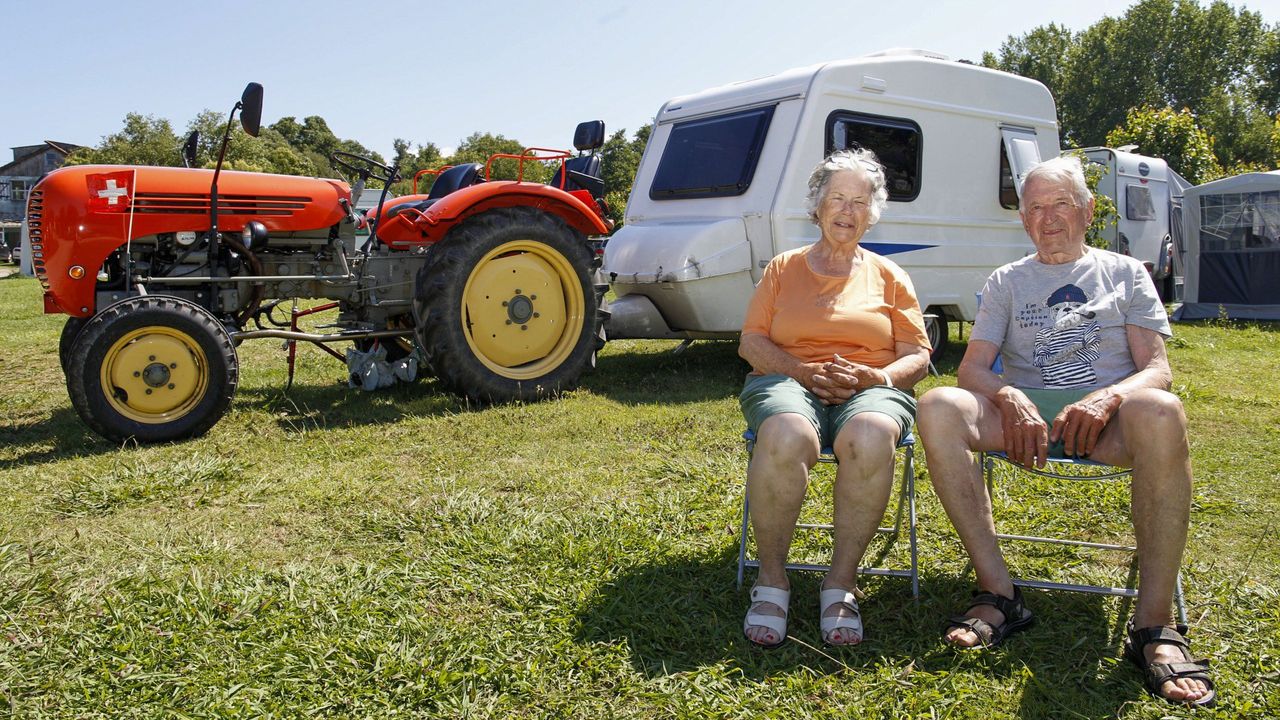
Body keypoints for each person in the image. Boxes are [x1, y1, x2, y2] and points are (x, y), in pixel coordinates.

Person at [917, 156, 1215, 707]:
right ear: (1024, 220)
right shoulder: (1007, 280)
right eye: (1034, 208)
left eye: (1060, 205)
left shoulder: (1125, 274)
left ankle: (1154, 627)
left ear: (1087, 210)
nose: (1047, 218)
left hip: (1108, 421)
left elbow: (1157, 368)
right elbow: (973, 368)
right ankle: (999, 592)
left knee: (1162, 408)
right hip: (1024, 419)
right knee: (938, 405)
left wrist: (1107, 397)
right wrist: (1008, 396)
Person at [738, 149, 931, 648]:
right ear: (817, 206)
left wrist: (876, 377)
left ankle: (840, 583)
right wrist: (800, 369)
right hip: (785, 379)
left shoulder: (891, 276)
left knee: (869, 435)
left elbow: (917, 355)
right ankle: (773, 580)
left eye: (860, 201)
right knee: (785, 433)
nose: (847, 210)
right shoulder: (783, 268)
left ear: (873, 212)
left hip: (870, 388)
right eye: (837, 198)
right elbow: (752, 343)